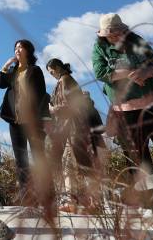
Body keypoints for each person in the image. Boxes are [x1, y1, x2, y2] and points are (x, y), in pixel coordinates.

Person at [92, 13, 153, 194]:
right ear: (103, 35)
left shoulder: (137, 41)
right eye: (110, 34)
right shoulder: (99, 48)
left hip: (151, 105)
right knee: (138, 157)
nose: (114, 36)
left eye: (117, 32)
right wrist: (128, 72)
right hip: (125, 110)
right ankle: (148, 202)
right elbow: (100, 72)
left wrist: (146, 73)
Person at [0, 39, 51, 201]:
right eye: (15, 48)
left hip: (34, 122)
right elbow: (0, 84)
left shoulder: (35, 70)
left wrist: (46, 118)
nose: (17, 50)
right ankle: (28, 197)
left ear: (29, 50)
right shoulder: (12, 71)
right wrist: (4, 67)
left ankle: (48, 196)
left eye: (21, 47)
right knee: (21, 161)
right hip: (15, 121)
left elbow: (42, 95)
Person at [46, 58, 99, 213]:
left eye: (51, 72)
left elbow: (66, 106)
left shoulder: (65, 80)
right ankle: (80, 201)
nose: (52, 75)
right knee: (75, 163)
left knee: (76, 163)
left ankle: (85, 202)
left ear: (57, 68)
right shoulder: (69, 80)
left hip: (75, 128)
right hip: (77, 127)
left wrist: (52, 109)